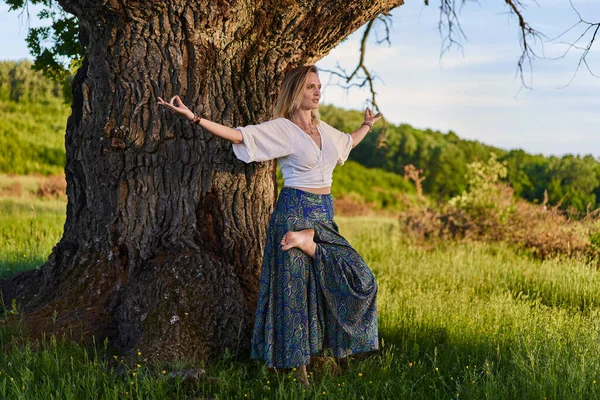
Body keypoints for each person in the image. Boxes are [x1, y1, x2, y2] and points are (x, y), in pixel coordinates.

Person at [157, 65, 381, 386]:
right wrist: (194, 117)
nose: (317, 92)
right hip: (293, 212)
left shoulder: (327, 130)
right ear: (295, 92)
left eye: (319, 86)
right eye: (310, 87)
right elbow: (239, 135)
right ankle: (299, 373)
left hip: (323, 217)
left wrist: (366, 125)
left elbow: (349, 142)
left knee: (359, 278)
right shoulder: (284, 129)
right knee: (293, 295)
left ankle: (312, 251)